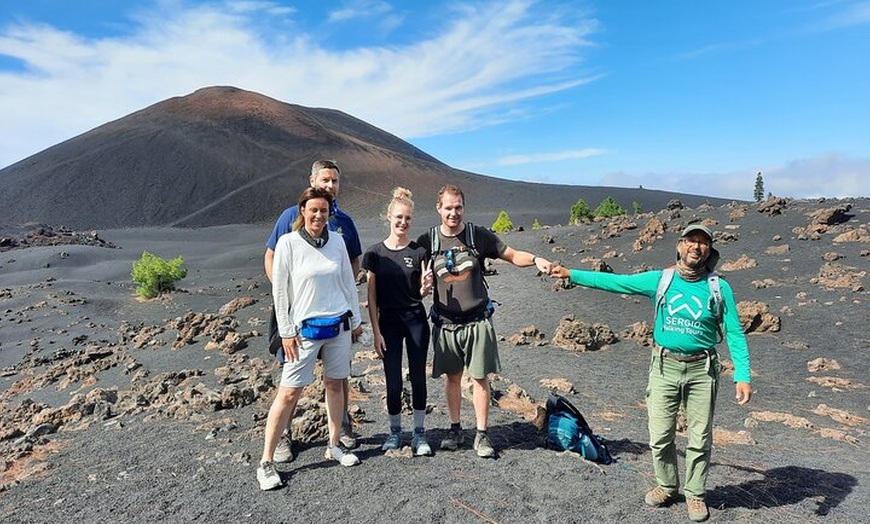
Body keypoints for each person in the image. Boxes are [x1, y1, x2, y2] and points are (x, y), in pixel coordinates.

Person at [548, 223, 752, 522]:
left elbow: (734, 332)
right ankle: (668, 486)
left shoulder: (719, 288)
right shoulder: (662, 280)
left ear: (709, 250)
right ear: (680, 246)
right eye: (691, 241)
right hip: (664, 366)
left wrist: (743, 375)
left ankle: (695, 495)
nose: (696, 246)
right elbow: (617, 283)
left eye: (703, 243)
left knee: (699, 438)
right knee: (659, 435)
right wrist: (571, 274)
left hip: (702, 370)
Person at [417, 184, 553, 459]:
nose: (453, 213)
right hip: (445, 324)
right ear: (438, 208)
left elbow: (512, 255)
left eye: (458, 207)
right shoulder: (426, 242)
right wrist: (420, 288)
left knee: (480, 378)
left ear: (463, 208)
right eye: (448, 207)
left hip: (477, 322)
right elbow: (411, 277)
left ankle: (481, 434)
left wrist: (537, 258)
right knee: (452, 378)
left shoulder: (477, 236)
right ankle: (455, 430)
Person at [257, 187, 363, 491]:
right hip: (302, 332)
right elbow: (280, 291)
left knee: (335, 383)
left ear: (330, 214)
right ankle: (266, 461)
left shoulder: (338, 242)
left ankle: (334, 445)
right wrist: (286, 331)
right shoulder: (288, 243)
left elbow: (348, 282)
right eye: (313, 210)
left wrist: (355, 321)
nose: (318, 215)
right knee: (289, 393)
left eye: (324, 211)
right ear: (302, 211)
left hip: (338, 327)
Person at [362, 187, 434, 455]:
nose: (403, 223)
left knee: (418, 378)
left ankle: (418, 434)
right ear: (389, 216)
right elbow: (372, 297)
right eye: (399, 217)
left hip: (415, 320)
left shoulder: (419, 252)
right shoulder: (375, 254)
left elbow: (419, 293)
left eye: (408, 219)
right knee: (392, 380)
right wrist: (376, 331)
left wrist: (426, 289)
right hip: (388, 323)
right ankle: (394, 433)